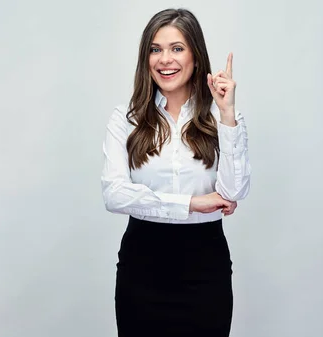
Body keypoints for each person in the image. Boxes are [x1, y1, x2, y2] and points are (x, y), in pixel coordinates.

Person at [100, 8, 251, 337]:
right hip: (142, 263)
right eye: (156, 49)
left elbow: (233, 192)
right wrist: (191, 203)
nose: (164, 59)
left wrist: (227, 115)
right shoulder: (126, 119)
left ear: (196, 56)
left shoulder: (221, 117)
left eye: (177, 48)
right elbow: (114, 195)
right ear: (146, 58)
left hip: (205, 264)